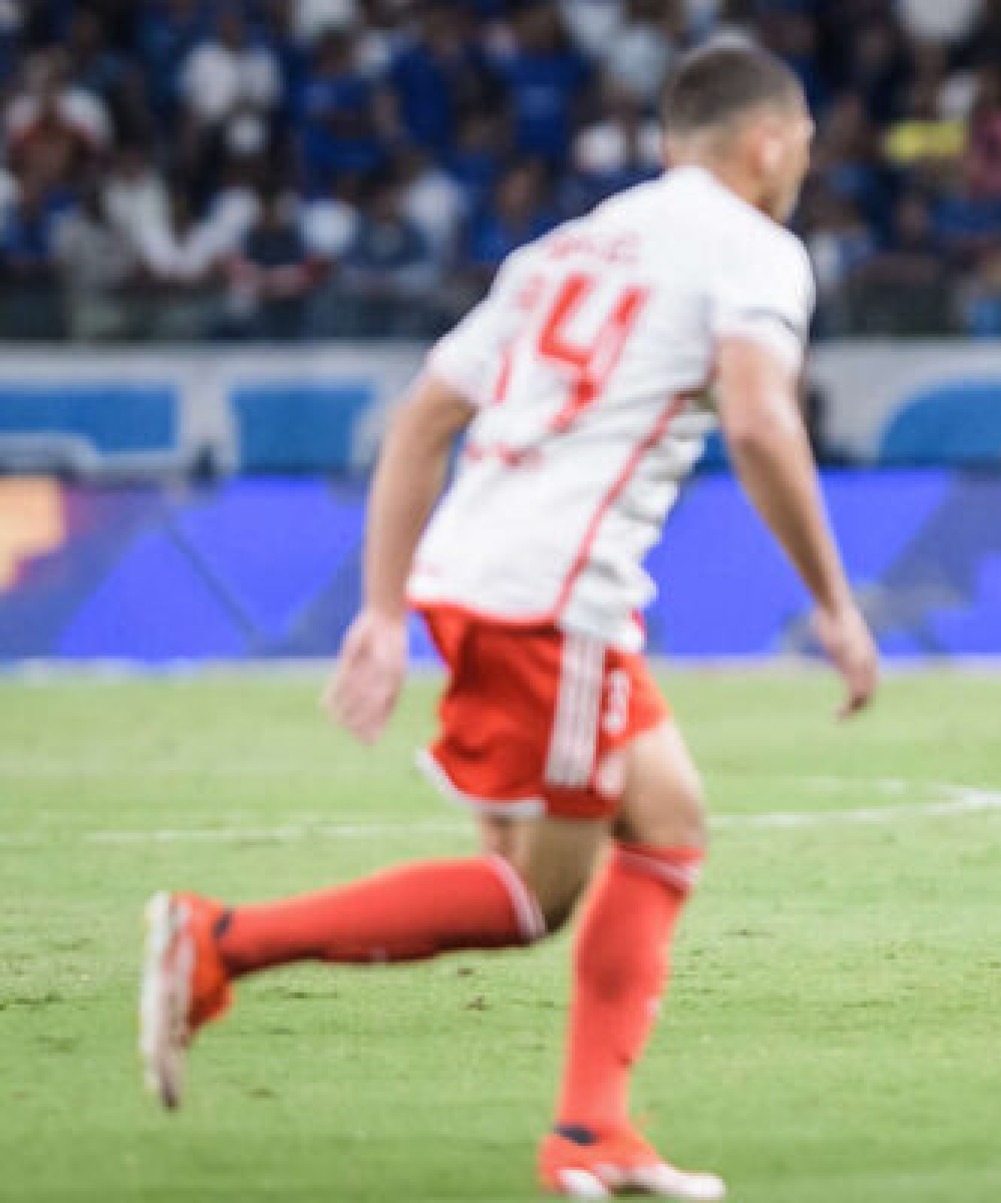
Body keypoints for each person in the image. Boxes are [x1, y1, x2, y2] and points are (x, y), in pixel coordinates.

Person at [138, 43, 879, 1200]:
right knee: (535, 895)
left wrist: (383, 613)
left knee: (669, 821)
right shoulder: (758, 251)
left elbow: (421, 419)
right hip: (555, 598)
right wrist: (834, 603)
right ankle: (221, 941)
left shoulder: (564, 248)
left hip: (473, 577)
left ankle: (593, 1136)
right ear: (772, 142)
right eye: (804, 150)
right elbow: (760, 419)